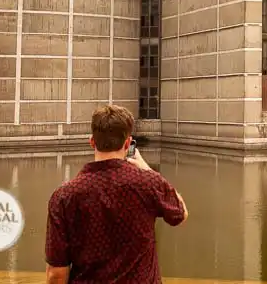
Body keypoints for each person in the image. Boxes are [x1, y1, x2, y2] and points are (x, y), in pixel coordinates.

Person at [44, 105, 188, 283]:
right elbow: (180, 213)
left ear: (92, 142)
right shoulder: (148, 183)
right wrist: (148, 170)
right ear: (127, 144)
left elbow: (56, 273)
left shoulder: (64, 196)